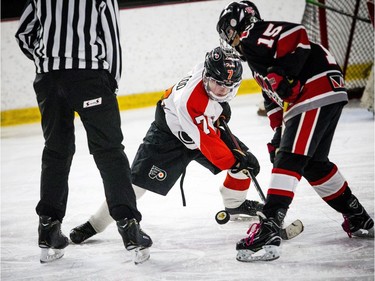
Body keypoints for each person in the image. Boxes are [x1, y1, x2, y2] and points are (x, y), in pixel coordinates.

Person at [216, 1, 374, 262]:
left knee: (289, 158)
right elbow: (273, 101)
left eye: (227, 32)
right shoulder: (258, 61)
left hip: (315, 89)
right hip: (327, 90)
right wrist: (279, 132)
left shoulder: (252, 34)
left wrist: (284, 73)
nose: (228, 40)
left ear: (236, 25)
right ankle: (358, 218)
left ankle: (268, 229)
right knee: (314, 165)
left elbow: (295, 34)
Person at [69, 47, 263, 244]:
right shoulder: (190, 101)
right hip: (167, 138)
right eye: (217, 83)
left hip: (199, 127)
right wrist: (234, 159)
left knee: (248, 164)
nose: (222, 90)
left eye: (229, 86)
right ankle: (94, 224)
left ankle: (234, 204)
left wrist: (219, 113)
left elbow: (208, 123)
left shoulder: (207, 70)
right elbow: (209, 145)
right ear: (206, 76)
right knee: (136, 185)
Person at [15, 0, 152, 264]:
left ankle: (49, 230)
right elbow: (111, 39)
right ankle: (130, 229)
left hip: (49, 81)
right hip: (89, 78)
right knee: (109, 151)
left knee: (56, 151)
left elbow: (23, 33)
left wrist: (46, 60)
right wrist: (111, 81)